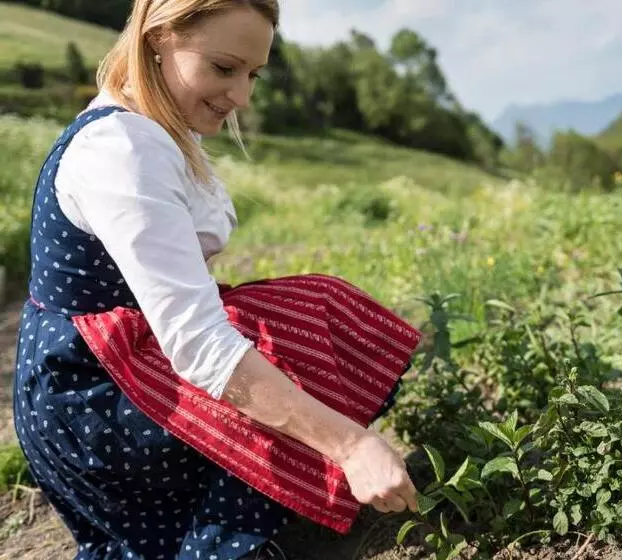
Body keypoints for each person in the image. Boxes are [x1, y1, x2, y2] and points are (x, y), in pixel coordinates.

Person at [11, 1, 421, 558]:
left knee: (310, 309)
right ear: (159, 38)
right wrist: (349, 446)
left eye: (252, 74)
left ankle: (240, 511)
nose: (242, 98)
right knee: (284, 336)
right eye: (225, 68)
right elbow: (199, 342)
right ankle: (218, 539)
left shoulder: (153, 124)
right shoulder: (122, 149)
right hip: (90, 401)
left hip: (111, 368)